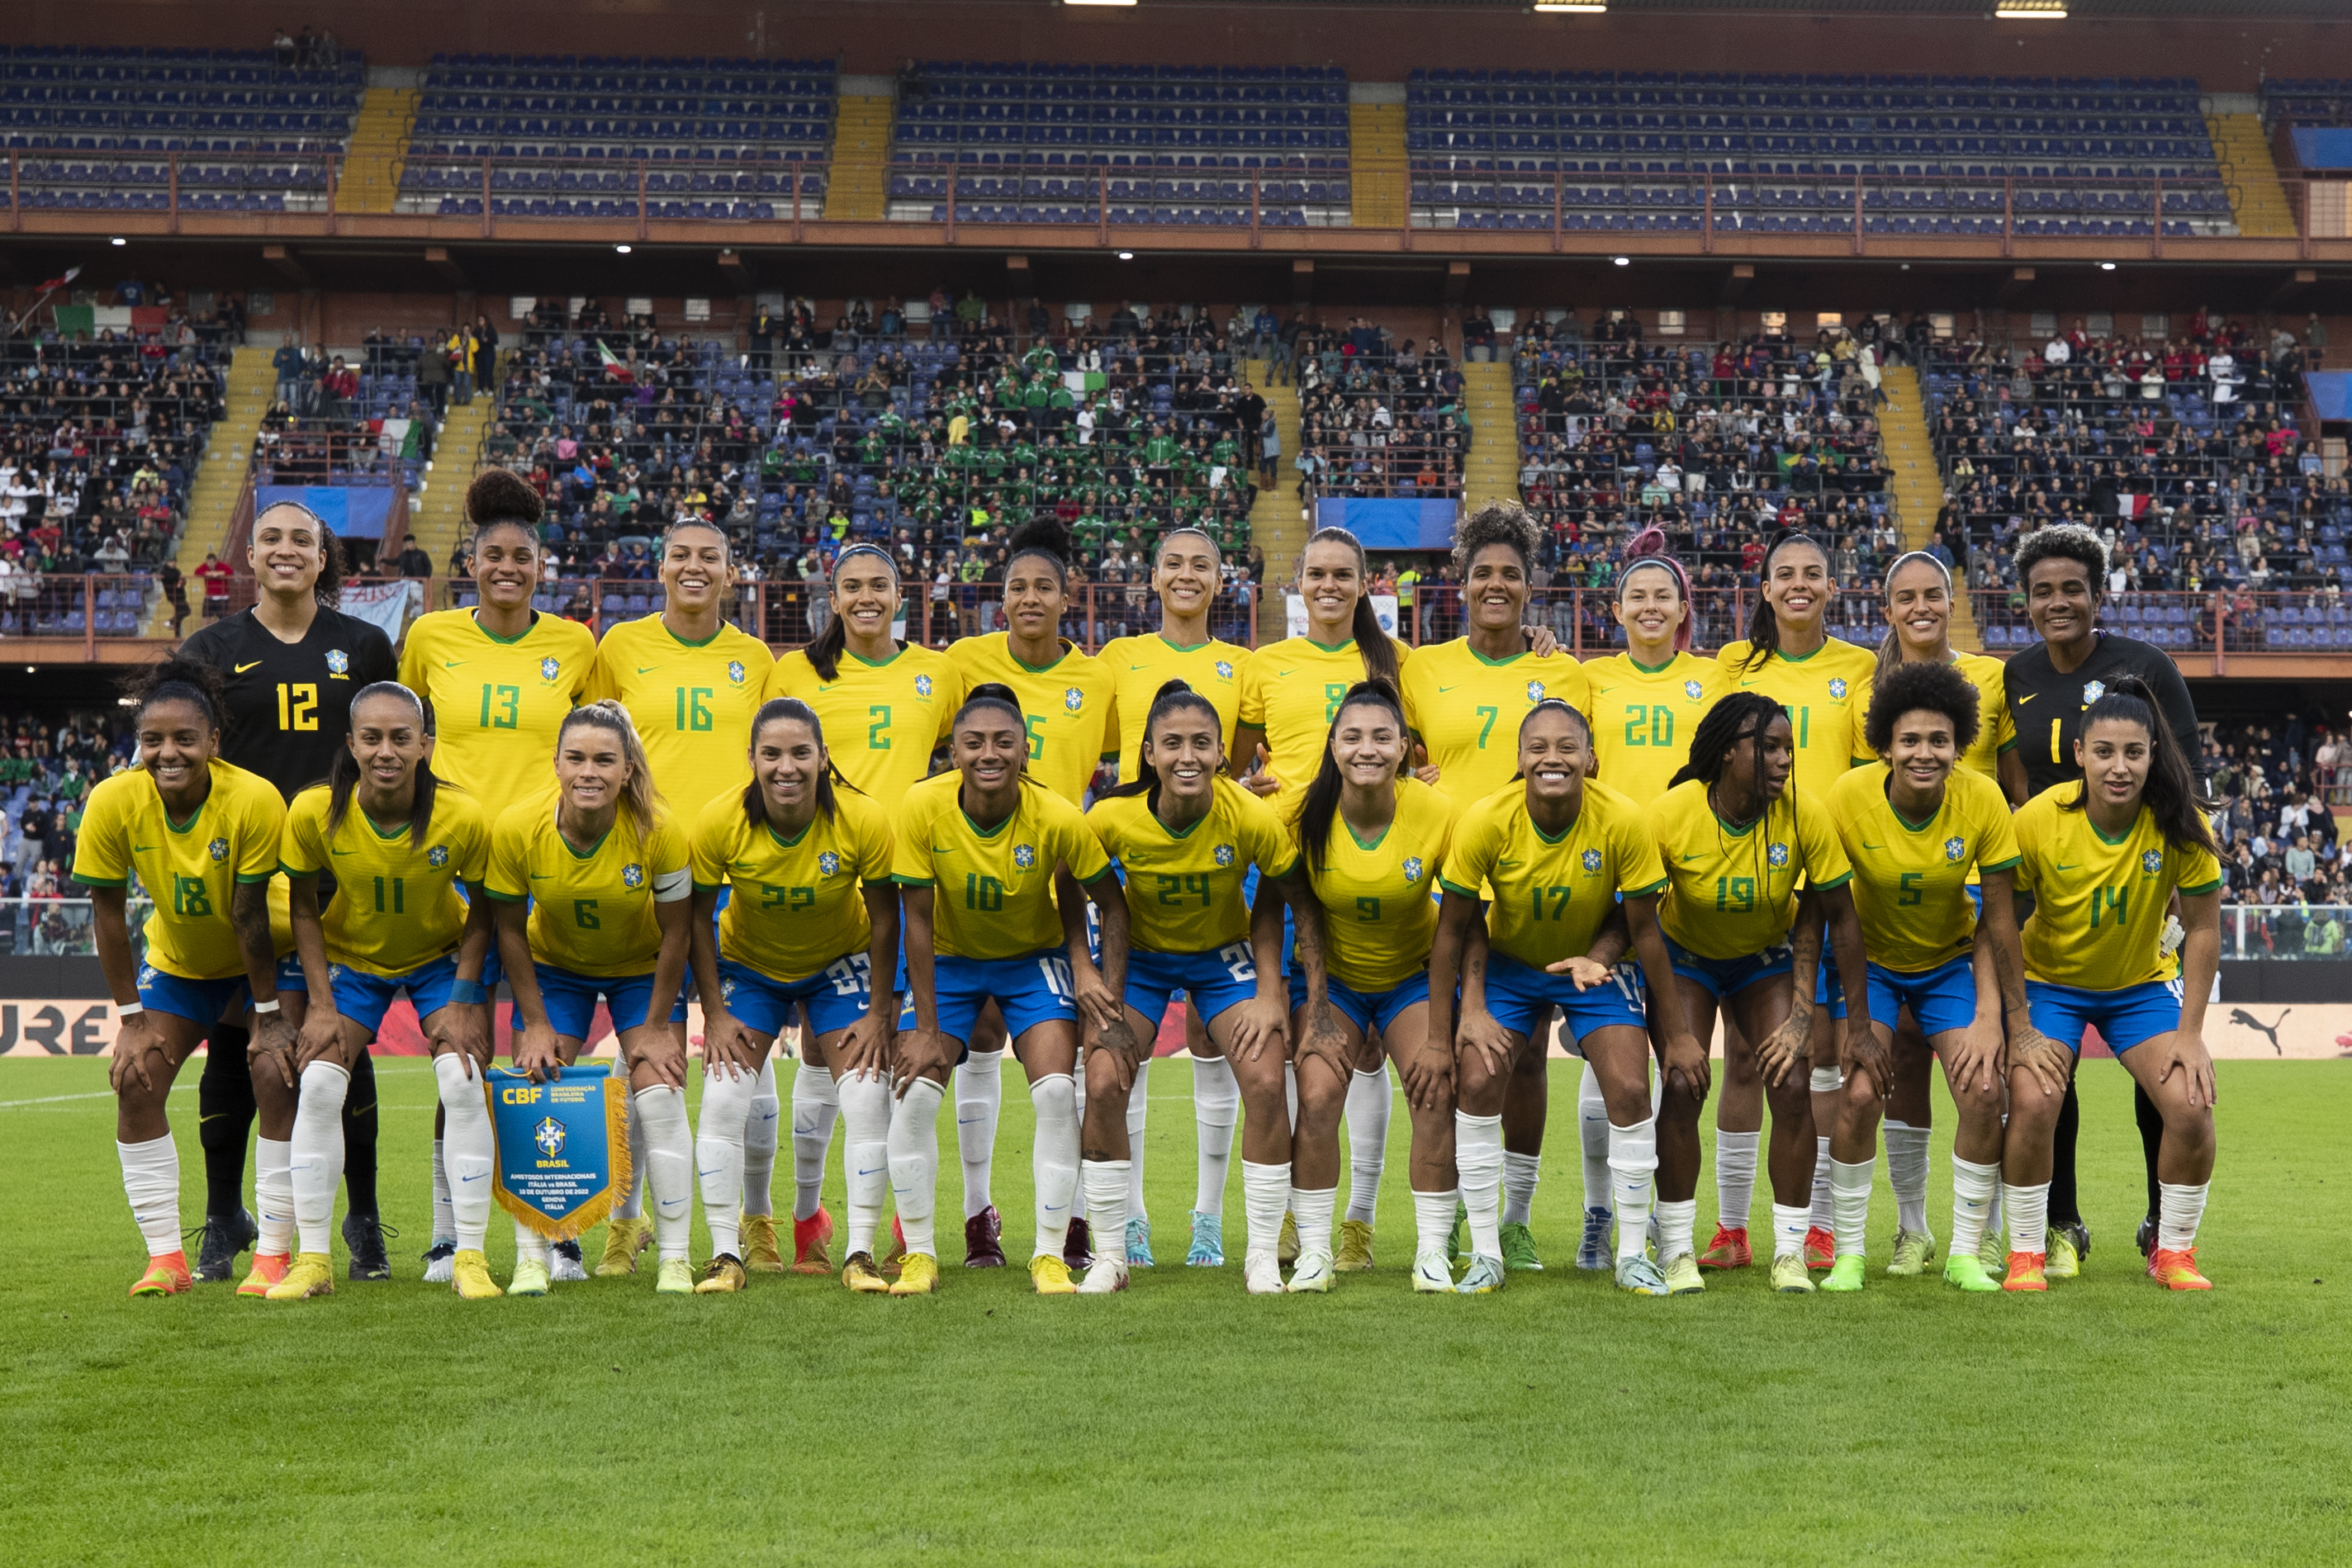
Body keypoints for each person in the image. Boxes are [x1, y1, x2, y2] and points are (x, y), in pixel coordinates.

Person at [178, 500, 397, 1283]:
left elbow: (389, 742)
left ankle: (364, 1219)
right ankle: (220, 1217)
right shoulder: (210, 646)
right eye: (270, 537)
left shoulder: (365, 644)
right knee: (237, 1042)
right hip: (242, 870)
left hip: (340, 870)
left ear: (323, 555)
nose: (285, 550)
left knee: (344, 1041)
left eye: (301, 539)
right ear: (249, 552)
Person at [1430, 701, 1705, 1296]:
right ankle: (1485, 1252)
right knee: (1477, 1082)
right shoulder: (1486, 819)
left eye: (1566, 747)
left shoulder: (1622, 819)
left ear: (1590, 759)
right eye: (1538, 747)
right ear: (1520, 759)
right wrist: (1461, 1015)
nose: (1551, 757)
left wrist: (1679, 1034)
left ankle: (1632, 1253)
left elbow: (1645, 928)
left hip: (1594, 968)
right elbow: (1453, 927)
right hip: (1509, 966)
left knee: (1632, 1089)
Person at [397, 469, 597, 1282]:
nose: (508, 567)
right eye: (494, 556)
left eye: (522, 556)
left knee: (548, 1055)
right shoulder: (431, 638)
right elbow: (398, 734)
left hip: (548, 868)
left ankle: (561, 1230)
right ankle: (451, 1233)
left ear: (539, 567)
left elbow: (599, 745)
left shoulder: (576, 645)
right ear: (471, 566)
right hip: (456, 870)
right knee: (465, 1060)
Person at [883, 683, 1133, 1296]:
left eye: (1003, 741)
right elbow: (915, 919)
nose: (988, 753)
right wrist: (922, 1028)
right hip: (951, 961)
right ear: (954, 751)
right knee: (914, 1092)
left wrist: (1104, 986)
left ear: (1026, 750)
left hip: (1031, 961)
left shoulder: (1056, 815)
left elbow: (1113, 905)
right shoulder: (922, 807)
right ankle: (919, 1253)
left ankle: (1048, 1255)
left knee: (1054, 1092)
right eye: (974, 742)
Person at [1397, 501, 1595, 1272]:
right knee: (1447, 1057)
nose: (1497, 584)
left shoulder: (1563, 673)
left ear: (1531, 585)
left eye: (1511, 573)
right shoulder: (1423, 667)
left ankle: (1512, 1219)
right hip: (1444, 894)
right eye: (1483, 572)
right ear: (1462, 581)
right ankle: (1448, 1219)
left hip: (1533, 892)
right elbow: (1395, 745)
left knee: (1527, 1061)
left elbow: (1584, 769)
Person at [1999, 523, 2203, 1267]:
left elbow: (2184, 776)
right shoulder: (2014, 675)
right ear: (2026, 601)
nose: (2059, 602)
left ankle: (2160, 1218)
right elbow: (2010, 781)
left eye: (2073, 589)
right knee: (2051, 1073)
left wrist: (2175, 888)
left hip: (2141, 885)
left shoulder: (2146, 667)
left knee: (2162, 1078)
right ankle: (2063, 1223)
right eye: (2044, 591)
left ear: (2097, 593)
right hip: (2050, 886)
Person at [1818, 661, 2051, 1294]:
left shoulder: (1981, 799)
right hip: (1869, 967)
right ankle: (1847, 1255)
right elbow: (1834, 918)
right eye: (1911, 740)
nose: (1925, 753)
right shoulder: (1847, 798)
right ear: (1886, 745)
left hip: (1949, 963)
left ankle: (1965, 1252)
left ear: (1959, 746)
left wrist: (1996, 1018)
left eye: (1940, 741)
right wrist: (1860, 1023)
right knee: (1862, 1095)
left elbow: (1999, 922)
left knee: (1982, 1091)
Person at [765, 544, 961, 1272]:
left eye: (879, 584)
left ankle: (910, 1224)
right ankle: (809, 1214)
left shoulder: (939, 672)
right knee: (823, 1051)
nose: (866, 596)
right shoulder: (795, 674)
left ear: (900, 591)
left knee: (904, 1056)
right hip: (819, 879)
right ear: (834, 595)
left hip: (906, 883)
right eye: (852, 586)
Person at [586, 518, 774, 1277]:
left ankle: (756, 1222)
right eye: (680, 556)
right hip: (646, 874)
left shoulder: (756, 658)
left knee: (744, 1062)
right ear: (660, 568)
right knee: (649, 1057)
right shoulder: (620, 648)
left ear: (732, 574)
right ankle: (624, 1225)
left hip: (733, 875)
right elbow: (592, 745)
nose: (694, 568)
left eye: (710, 558)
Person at [73, 660, 295, 1296]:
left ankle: (274, 1256)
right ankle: (166, 1260)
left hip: (267, 957)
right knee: (135, 1080)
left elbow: (250, 914)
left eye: (184, 739)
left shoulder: (252, 797)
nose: (168, 753)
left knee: (275, 1074)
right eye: (152, 740)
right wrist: (131, 1020)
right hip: (180, 963)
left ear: (214, 743)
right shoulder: (113, 800)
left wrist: (269, 1014)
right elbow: (109, 918)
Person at [1084, 680, 1312, 1293]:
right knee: (1103, 1078)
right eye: (1174, 743)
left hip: (1223, 957)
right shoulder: (1110, 817)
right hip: (1145, 961)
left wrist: (1275, 992)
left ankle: (1260, 1253)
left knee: (1267, 1078)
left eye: (1202, 744)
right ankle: (1111, 1253)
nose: (1188, 755)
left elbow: (1295, 901)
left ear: (1221, 755)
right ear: (1150, 754)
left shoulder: (1250, 816)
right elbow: (1066, 884)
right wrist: (1086, 969)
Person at [272, 684, 496, 1300]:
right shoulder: (314, 810)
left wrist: (463, 997)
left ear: (426, 744)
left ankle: (469, 1256)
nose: (386, 750)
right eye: (371, 737)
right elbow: (304, 910)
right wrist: (319, 1004)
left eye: (401, 737)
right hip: (354, 962)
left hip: (438, 961)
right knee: (317, 1083)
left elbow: (483, 912)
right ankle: (313, 1260)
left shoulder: (465, 815)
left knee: (462, 1079)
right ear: (351, 743)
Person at [1648, 693, 1873, 1295]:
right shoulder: (1672, 813)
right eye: (1768, 747)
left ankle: (1791, 1252)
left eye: (1788, 750)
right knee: (1679, 1082)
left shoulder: (1806, 813)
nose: (1783, 761)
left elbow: (1841, 920)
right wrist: (1672, 1034)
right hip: (1686, 956)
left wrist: (1841, 1021)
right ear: (1729, 751)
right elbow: (1640, 919)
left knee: (1795, 1081)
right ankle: (1674, 1249)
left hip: (1763, 958)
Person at [2004, 676, 2223, 1292]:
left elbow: (2204, 930)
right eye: (2104, 751)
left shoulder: (2180, 821)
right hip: (2050, 983)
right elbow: (1998, 918)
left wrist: (2191, 1035)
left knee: (2190, 1103)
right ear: (2079, 753)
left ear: (2154, 752)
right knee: (2034, 1098)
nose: (2119, 766)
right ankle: (2026, 1252)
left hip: (2140, 987)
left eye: (2134, 752)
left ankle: (2174, 1250)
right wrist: (2015, 1024)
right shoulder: (2040, 819)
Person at [1232, 527, 1412, 1271]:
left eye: (1345, 573)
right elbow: (1232, 766)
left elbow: (1421, 750)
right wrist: (1240, 790)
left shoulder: (1398, 663)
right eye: (1317, 574)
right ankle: (1285, 1221)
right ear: (1298, 585)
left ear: (1365, 583)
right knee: (1303, 1051)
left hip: (1373, 865)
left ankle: (1358, 1226)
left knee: (1367, 1052)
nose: (1330, 585)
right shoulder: (1265, 665)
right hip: (1284, 870)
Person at [941, 519, 1117, 1272]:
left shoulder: (1098, 678)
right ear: (1001, 597)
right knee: (980, 1037)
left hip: (1063, 881)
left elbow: (1129, 756)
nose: (1030, 597)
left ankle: (1072, 1219)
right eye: (1017, 586)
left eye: (1044, 585)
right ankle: (980, 1216)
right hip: (977, 879)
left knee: (1067, 1056)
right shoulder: (962, 662)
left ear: (1067, 594)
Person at [1851, 549, 2027, 1280]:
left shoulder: (1992, 677)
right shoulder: (1865, 690)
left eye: (1934, 595)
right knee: (1897, 1077)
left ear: (1952, 600)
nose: (1920, 607)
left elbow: (2015, 788)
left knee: (1990, 1074)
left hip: (1970, 893)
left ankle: (1979, 1235)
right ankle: (1912, 1229)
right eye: (1906, 597)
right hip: (1889, 895)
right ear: (1887, 606)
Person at [687, 699, 900, 1294]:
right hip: (750, 970)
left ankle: (860, 1249)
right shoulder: (717, 820)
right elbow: (697, 919)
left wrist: (881, 1012)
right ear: (751, 759)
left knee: (865, 1096)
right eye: (772, 753)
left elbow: (887, 921)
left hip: (838, 964)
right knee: (726, 1097)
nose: (787, 767)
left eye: (801, 752)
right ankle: (725, 1252)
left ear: (824, 757)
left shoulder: (863, 818)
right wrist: (716, 1011)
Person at [484, 703, 695, 1296]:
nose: (589, 771)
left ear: (627, 769)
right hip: (556, 971)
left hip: (640, 973)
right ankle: (533, 1255)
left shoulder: (660, 830)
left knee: (660, 1093)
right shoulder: (517, 827)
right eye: (575, 757)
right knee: (533, 1085)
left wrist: (656, 1025)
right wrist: (535, 1020)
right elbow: (508, 930)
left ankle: (675, 1258)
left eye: (605, 759)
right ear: (555, 763)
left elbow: (677, 932)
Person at [1711, 530, 1877, 1273]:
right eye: (1787, 574)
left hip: (1830, 870)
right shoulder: (1733, 666)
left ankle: (1811, 1225)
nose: (1800, 583)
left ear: (1831, 588)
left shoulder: (1861, 667)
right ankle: (1729, 1227)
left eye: (1814, 572)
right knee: (1748, 1060)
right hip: (1755, 875)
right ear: (1767, 589)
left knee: (1821, 1060)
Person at [1093, 529, 1253, 1270]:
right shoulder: (1117, 660)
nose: (1187, 575)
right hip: (1140, 861)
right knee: (1127, 1051)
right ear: (1152, 575)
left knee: (1214, 1042)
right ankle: (1130, 1220)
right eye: (1175, 563)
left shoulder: (1243, 667)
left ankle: (1208, 1221)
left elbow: (1255, 754)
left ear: (1222, 581)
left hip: (1224, 859)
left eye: (1203, 565)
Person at [1278, 680, 1459, 1293]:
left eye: (1383, 736)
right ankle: (1313, 1252)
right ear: (1333, 746)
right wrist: (1315, 1009)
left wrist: (1441, 1029)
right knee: (1320, 1093)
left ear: (1405, 747)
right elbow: (1292, 912)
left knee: (1434, 1091)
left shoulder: (1436, 812)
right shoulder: (1302, 815)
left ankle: (1432, 1252)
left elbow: (1463, 922)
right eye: (1352, 736)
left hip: (1412, 977)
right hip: (1337, 984)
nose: (1367, 749)